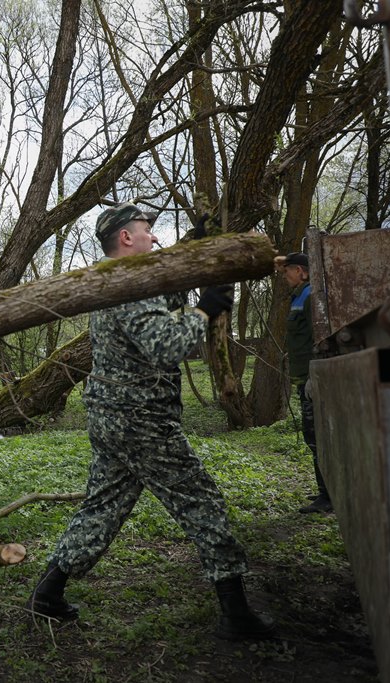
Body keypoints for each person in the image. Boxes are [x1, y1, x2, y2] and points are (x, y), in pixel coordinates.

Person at [25, 202, 275, 641]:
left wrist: (192, 253)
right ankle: (236, 614)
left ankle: (47, 594)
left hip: (112, 417)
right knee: (202, 502)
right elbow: (164, 344)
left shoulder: (118, 280)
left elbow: (163, 299)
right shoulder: (129, 284)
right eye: (147, 229)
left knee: (103, 507)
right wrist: (206, 310)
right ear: (126, 237)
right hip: (141, 421)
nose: (154, 237)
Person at [275, 252, 331, 514]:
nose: (285, 276)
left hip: (312, 380)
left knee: (317, 436)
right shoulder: (299, 295)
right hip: (303, 376)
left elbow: (320, 338)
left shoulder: (311, 296)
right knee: (313, 435)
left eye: (288, 271)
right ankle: (326, 489)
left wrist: (313, 375)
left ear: (302, 271)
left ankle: (327, 496)